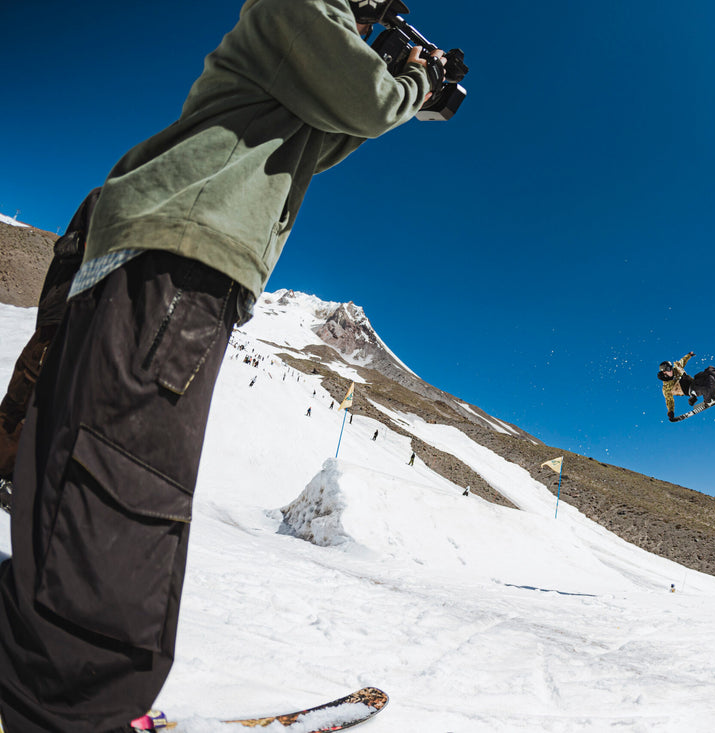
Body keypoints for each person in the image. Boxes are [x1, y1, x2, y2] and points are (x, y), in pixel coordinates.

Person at [0, 1, 448, 730]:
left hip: (149, 264)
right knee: (119, 512)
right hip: (179, 270)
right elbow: (365, 102)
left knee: (70, 494)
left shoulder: (303, 52)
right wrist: (410, 89)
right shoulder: (295, 7)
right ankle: (66, 710)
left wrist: (403, 83)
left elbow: (338, 126)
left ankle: (32, 687)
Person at [0, 189, 100, 494]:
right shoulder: (101, 206)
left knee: (50, 401)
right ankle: (6, 473)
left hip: (73, 321)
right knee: (26, 393)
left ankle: (24, 475)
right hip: (60, 319)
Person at [657, 352, 715, 420]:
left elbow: (682, 361)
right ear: (664, 372)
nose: (671, 371)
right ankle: (709, 400)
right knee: (706, 387)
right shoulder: (666, 388)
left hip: (693, 382)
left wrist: (689, 355)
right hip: (690, 390)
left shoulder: (675, 370)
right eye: (669, 369)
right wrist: (671, 411)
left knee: (710, 372)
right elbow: (669, 400)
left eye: (671, 368)